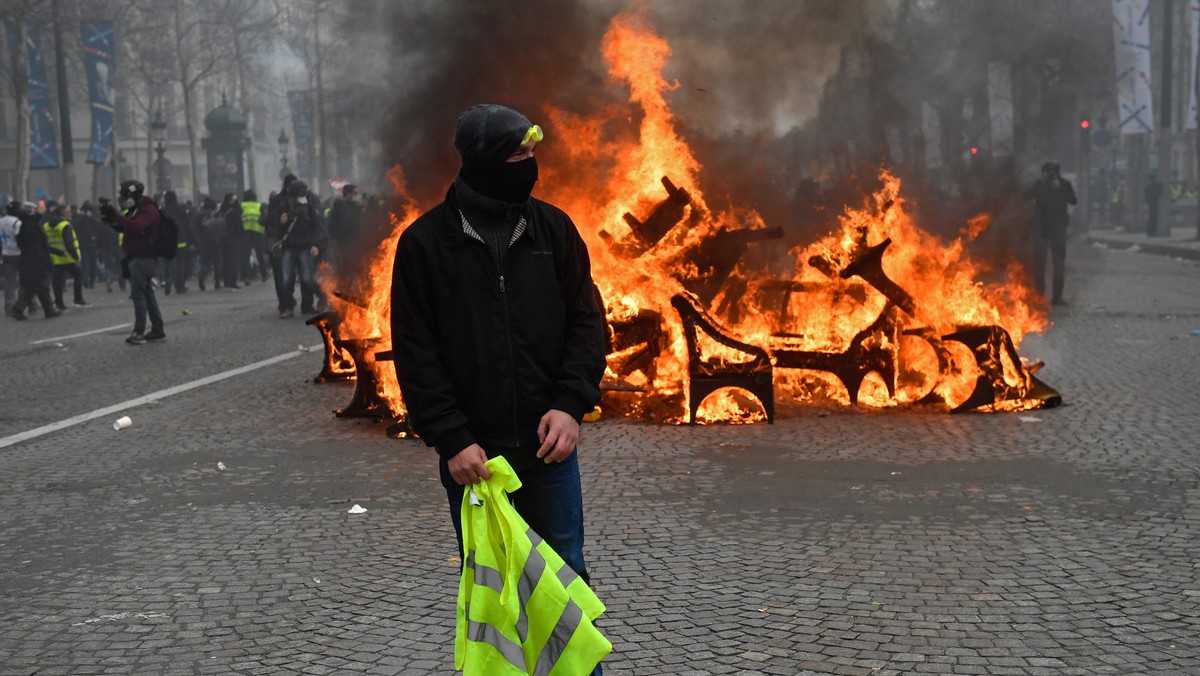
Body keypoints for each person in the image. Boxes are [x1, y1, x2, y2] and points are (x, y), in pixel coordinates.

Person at [390, 104, 607, 669]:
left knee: (566, 581)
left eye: (533, 154)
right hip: (475, 462)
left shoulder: (554, 230)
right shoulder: (423, 246)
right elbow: (416, 355)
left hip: (548, 450)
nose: (531, 166)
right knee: (495, 595)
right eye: (519, 156)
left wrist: (569, 406)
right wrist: (451, 439)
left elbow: (588, 324)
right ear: (484, 162)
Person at [100, 180, 165, 344]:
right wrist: (107, 217)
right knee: (147, 294)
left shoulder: (148, 210)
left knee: (138, 294)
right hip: (137, 257)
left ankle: (139, 331)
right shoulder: (136, 210)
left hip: (144, 257)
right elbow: (125, 227)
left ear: (132, 195)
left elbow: (137, 227)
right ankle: (157, 330)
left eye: (124, 195)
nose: (122, 198)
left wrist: (116, 215)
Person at [1023, 161, 1076, 306]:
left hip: (1056, 229)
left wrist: (1060, 190)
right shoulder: (1039, 185)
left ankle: (1056, 296)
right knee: (1040, 264)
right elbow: (1026, 197)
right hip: (1042, 228)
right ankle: (1040, 295)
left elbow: (1073, 200)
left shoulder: (1064, 184)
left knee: (1058, 264)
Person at [276, 179, 326, 318]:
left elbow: (317, 227)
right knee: (287, 279)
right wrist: (281, 223)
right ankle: (288, 307)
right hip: (288, 247)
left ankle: (318, 297)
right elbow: (276, 229)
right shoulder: (283, 207)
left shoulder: (309, 208)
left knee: (307, 278)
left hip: (305, 246)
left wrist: (316, 244)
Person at [10, 201, 60, 320]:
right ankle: (48, 309)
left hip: (32, 259)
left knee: (32, 286)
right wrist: (37, 214)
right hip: (35, 260)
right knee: (40, 284)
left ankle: (20, 309)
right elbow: (33, 226)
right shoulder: (28, 225)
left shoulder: (26, 225)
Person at [43, 202, 89, 309]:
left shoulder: (46, 225)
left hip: (55, 258)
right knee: (78, 276)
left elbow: (45, 243)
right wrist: (75, 258)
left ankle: (59, 303)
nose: (70, 214)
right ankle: (78, 299)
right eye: (68, 211)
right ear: (64, 213)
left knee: (57, 282)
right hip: (68, 257)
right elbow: (69, 243)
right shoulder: (65, 225)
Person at [327, 183, 364, 277]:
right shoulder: (339, 207)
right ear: (348, 194)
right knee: (344, 267)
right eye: (355, 193)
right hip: (343, 242)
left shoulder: (357, 207)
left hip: (356, 242)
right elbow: (332, 226)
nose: (357, 196)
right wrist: (334, 244)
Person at [160, 191, 193, 294]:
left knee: (168, 262)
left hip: (167, 240)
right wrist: (192, 240)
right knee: (180, 263)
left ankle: (168, 278)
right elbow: (188, 226)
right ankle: (180, 285)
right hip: (180, 240)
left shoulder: (163, 212)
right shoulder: (181, 211)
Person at [240, 189, 269, 284]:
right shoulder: (259, 205)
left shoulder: (242, 206)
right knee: (260, 255)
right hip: (258, 232)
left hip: (245, 232)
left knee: (245, 255)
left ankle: (246, 276)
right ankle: (264, 274)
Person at [75, 202, 103, 289]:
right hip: (84, 244)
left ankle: (91, 281)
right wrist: (83, 216)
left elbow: (98, 225)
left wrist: (90, 217)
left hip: (92, 244)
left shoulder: (92, 217)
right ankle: (86, 280)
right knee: (86, 263)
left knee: (92, 264)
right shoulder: (80, 217)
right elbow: (76, 225)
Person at [219, 192, 243, 290]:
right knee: (233, 260)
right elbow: (239, 226)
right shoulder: (235, 211)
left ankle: (226, 281)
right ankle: (233, 281)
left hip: (223, 238)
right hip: (233, 238)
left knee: (225, 261)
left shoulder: (222, 211)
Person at [1, 201, 20, 316]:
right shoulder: (17, 222)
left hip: (6, 253)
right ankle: (31, 303)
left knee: (9, 281)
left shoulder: (0, 222)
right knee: (26, 280)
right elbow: (20, 238)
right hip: (18, 253)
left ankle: (9, 304)